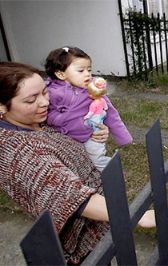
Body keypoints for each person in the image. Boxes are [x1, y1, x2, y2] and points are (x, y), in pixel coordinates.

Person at [0, 62, 154, 264]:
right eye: (31, 100)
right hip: (81, 245)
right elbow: (70, 197)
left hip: (99, 224)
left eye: (45, 92)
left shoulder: (37, 122)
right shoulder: (18, 152)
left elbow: (71, 130)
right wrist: (136, 214)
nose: (45, 102)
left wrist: (95, 132)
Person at [45, 46, 133, 171]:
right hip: (65, 138)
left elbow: (111, 114)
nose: (87, 74)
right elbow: (47, 112)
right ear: (61, 74)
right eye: (81, 71)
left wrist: (123, 137)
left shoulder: (93, 90)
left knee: (97, 160)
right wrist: (57, 119)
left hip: (91, 134)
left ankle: (112, 173)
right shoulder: (50, 91)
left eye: (89, 69)